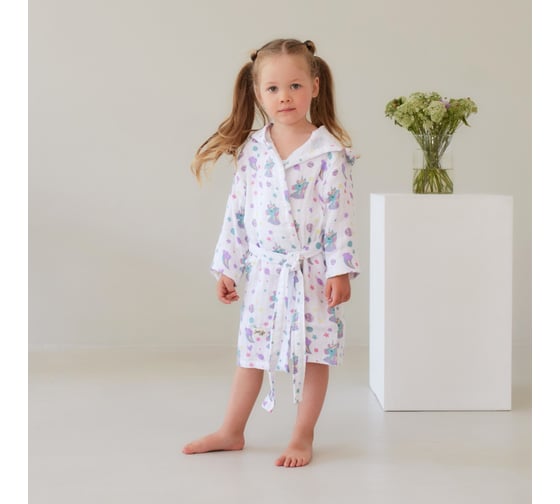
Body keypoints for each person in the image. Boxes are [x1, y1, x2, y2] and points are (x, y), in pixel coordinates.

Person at [183, 38, 359, 468]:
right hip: (264, 271)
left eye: (295, 86)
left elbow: (339, 215)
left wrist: (339, 270)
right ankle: (231, 430)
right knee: (252, 351)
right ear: (258, 93)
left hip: (311, 272)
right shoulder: (253, 149)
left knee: (314, 354)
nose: (285, 97)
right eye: (274, 88)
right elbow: (238, 212)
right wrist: (228, 267)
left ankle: (302, 435)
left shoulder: (329, 153)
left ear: (315, 86)